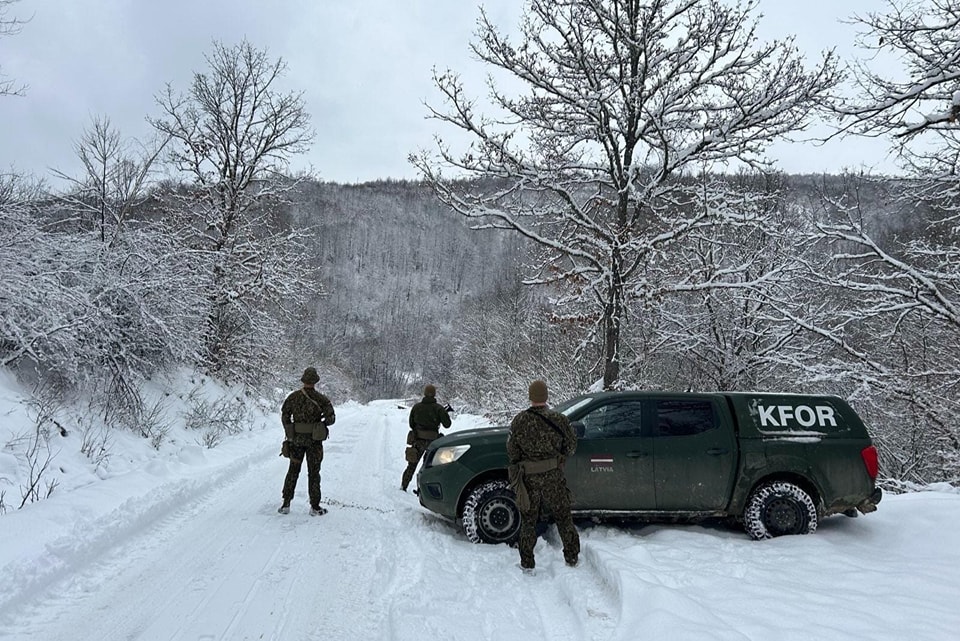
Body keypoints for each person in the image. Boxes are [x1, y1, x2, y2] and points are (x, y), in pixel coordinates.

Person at [506, 379, 579, 573]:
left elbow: (512, 453)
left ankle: (527, 563)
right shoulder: (559, 420)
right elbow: (571, 447)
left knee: (529, 520)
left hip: (529, 478)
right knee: (563, 517)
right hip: (553, 477)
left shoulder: (519, 421)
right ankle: (572, 557)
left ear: (530, 397)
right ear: (546, 396)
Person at [278, 367, 336, 516]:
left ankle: (286, 503)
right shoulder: (321, 399)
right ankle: (315, 506)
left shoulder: (293, 397)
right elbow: (331, 419)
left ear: (303, 380)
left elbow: (285, 415)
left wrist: (290, 431)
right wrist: (320, 424)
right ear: (315, 381)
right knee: (314, 473)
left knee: (293, 470)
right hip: (314, 442)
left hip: (296, 440)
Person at [401, 384, 452, 491]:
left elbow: (411, 424)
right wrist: (443, 414)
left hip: (418, 441)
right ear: (434, 394)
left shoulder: (416, 407)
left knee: (412, 465)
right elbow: (447, 424)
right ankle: (424, 491)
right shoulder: (438, 408)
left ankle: (404, 486)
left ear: (424, 393)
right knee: (429, 468)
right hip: (433, 442)